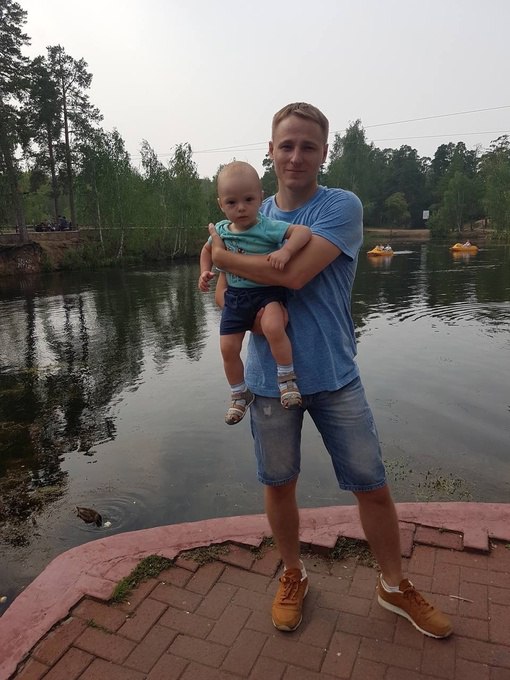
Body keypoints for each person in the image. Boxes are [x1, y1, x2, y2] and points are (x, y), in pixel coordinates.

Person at [207, 102, 453, 638]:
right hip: (268, 383)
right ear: (270, 151)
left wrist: (223, 258)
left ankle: (394, 585)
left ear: (324, 152)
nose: (296, 156)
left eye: (308, 146)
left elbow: (294, 275)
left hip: (336, 375)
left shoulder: (338, 206)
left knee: (372, 485)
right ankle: (293, 574)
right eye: (286, 145)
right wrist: (235, 289)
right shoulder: (245, 212)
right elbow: (225, 297)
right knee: (278, 484)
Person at [199, 161, 311, 425]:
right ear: (221, 204)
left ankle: (287, 379)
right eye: (232, 202)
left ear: (261, 198)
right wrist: (204, 271)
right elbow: (207, 251)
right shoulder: (221, 231)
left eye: (248, 200)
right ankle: (239, 393)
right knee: (227, 348)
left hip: (267, 293)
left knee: (273, 326)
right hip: (236, 297)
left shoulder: (267, 226)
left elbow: (303, 232)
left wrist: (286, 251)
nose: (241, 208)